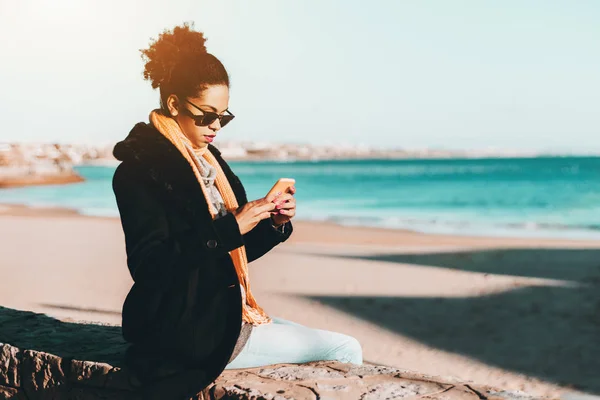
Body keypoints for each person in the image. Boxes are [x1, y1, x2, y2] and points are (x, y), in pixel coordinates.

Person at [111, 22, 362, 397]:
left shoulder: (209, 163)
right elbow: (150, 267)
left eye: (224, 117)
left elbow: (229, 254)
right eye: (206, 115)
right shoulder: (139, 172)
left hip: (221, 314)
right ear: (175, 104)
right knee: (345, 348)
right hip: (183, 330)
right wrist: (232, 226)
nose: (215, 126)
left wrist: (272, 224)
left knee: (312, 337)